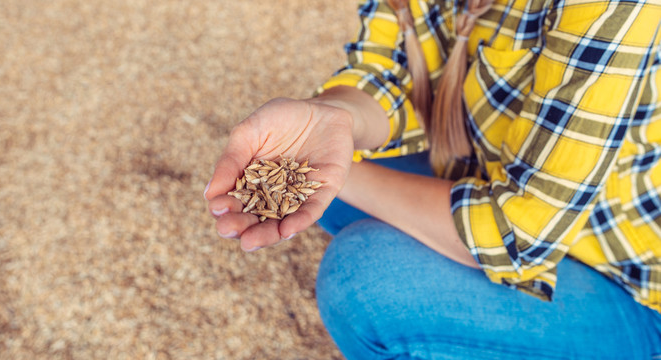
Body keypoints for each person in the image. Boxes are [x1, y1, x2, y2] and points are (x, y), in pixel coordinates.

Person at [204, 0, 661, 358]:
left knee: (365, 280)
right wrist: (333, 118)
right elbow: (388, 72)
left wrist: (342, 173)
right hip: (497, 179)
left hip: (624, 278)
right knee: (331, 177)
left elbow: (521, 232)